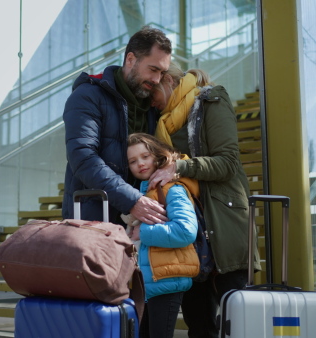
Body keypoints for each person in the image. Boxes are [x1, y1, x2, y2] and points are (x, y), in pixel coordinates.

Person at [148, 61, 260, 338]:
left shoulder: (211, 100)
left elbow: (228, 163)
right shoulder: (161, 123)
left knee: (240, 324)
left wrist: (180, 167)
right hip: (190, 233)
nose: (150, 102)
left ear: (169, 82)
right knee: (200, 325)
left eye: (153, 93)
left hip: (224, 226)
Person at [62, 26, 172, 226]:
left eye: (162, 73)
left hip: (141, 222)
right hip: (94, 221)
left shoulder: (151, 106)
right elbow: (82, 156)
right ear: (130, 59)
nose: (157, 79)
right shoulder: (87, 96)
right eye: (153, 69)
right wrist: (131, 199)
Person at [126, 132, 199, 338]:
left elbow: (185, 231)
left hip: (166, 282)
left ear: (157, 156)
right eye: (133, 161)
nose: (140, 163)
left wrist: (144, 232)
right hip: (149, 284)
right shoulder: (143, 191)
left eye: (145, 156)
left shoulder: (172, 189)